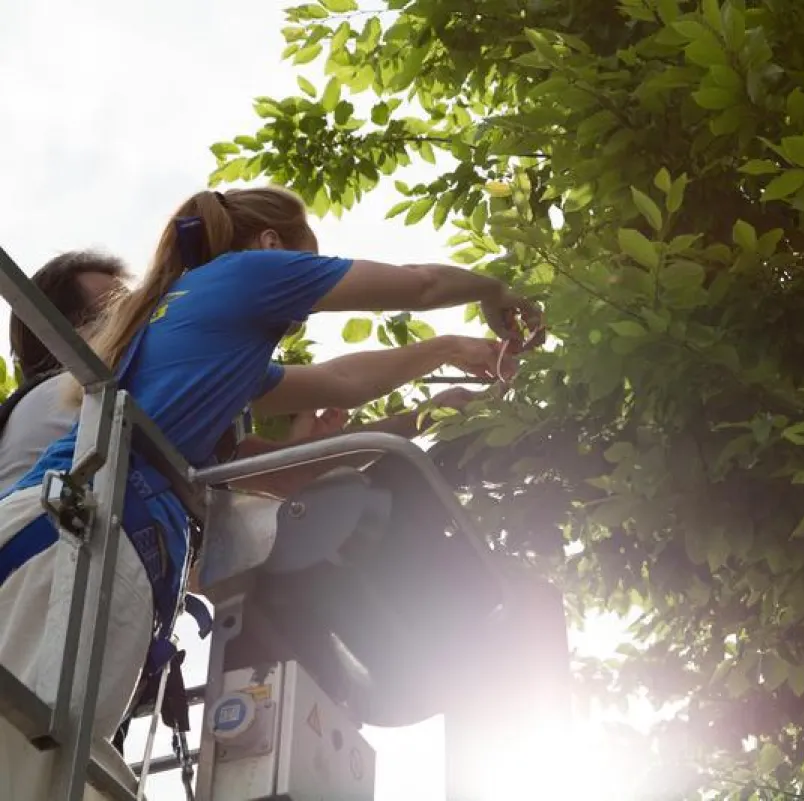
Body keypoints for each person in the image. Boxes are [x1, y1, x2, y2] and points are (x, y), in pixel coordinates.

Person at [0, 185, 541, 797]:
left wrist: (438, 377)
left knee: (42, 759)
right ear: (271, 245)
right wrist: (493, 291)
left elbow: (337, 382)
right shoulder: (248, 274)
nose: (305, 302)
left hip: (79, 539)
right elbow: (418, 285)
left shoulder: (201, 331)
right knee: (30, 759)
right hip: (74, 537)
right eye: (308, 262)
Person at [0, 251, 131, 491]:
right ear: (73, 335)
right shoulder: (78, 392)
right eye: (122, 316)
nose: (139, 326)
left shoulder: (33, 405)